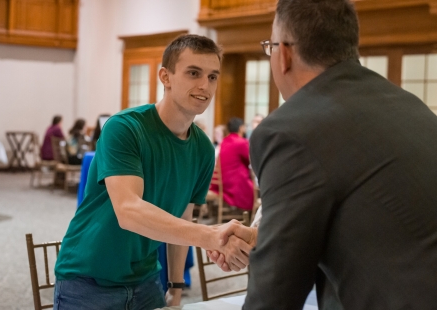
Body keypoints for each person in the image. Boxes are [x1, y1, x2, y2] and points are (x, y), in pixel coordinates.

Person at [212, 0, 437, 309]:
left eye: (270, 47)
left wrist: (274, 251)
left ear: (285, 55)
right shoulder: (408, 105)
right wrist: (269, 240)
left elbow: (275, 293)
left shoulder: (288, 130)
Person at [53, 34, 254, 309]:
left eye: (212, 77)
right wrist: (213, 237)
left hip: (147, 279)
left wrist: (176, 286)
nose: (204, 86)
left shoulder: (203, 150)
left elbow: (183, 218)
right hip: (89, 278)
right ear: (166, 76)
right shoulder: (124, 128)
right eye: (193, 73)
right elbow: (129, 211)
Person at [210, 117, 254, 211]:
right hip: (233, 183)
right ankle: (250, 216)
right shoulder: (240, 142)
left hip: (222, 181)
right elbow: (251, 160)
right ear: (241, 128)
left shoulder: (224, 141)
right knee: (253, 190)